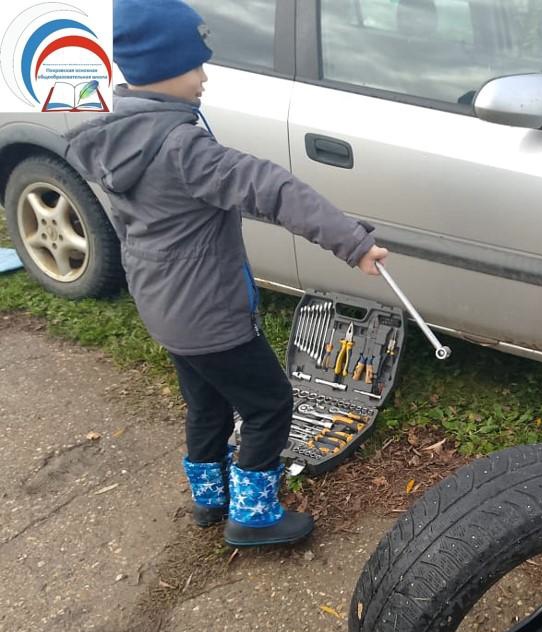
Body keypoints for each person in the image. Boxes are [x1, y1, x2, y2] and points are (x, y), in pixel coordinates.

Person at [65, 0, 388, 548]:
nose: (204, 77)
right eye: (196, 66)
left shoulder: (114, 138)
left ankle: (210, 498)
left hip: (164, 309)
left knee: (207, 402)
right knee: (269, 403)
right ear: (165, 70)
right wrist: (352, 242)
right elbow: (271, 187)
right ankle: (254, 516)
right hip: (210, 314)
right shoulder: (183, 147)